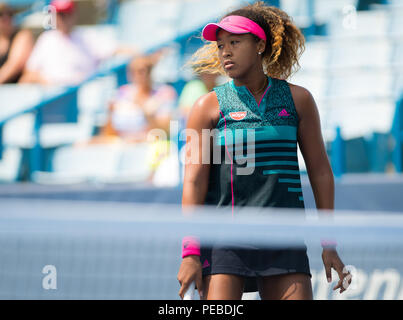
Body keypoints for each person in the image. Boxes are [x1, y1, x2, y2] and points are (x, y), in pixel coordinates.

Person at [177, 2, 351, 300]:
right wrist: (190, 251)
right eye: (220, 46)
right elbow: (194, 181)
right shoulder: (206, 107)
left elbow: (321, 172)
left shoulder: (299, 100)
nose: (225, 52)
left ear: (259, 44)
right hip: (224, 240)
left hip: (285, 238)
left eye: (234, 42)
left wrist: (328, 242)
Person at [19, 0, 121, 86]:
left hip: (84, 94)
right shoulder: (47, 39)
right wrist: (47, 82)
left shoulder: (88, 36)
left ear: (73, 14)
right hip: (53, 97)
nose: (63, 19)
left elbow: (117, 51)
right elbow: (30, 72)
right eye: (60, 14)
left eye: (66, 14)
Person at [0, 2, 34, 84]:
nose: (6, 18)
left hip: (17, 90)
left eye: (10, 14)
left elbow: (14, 66)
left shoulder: (22, 35)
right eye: (1, 14)